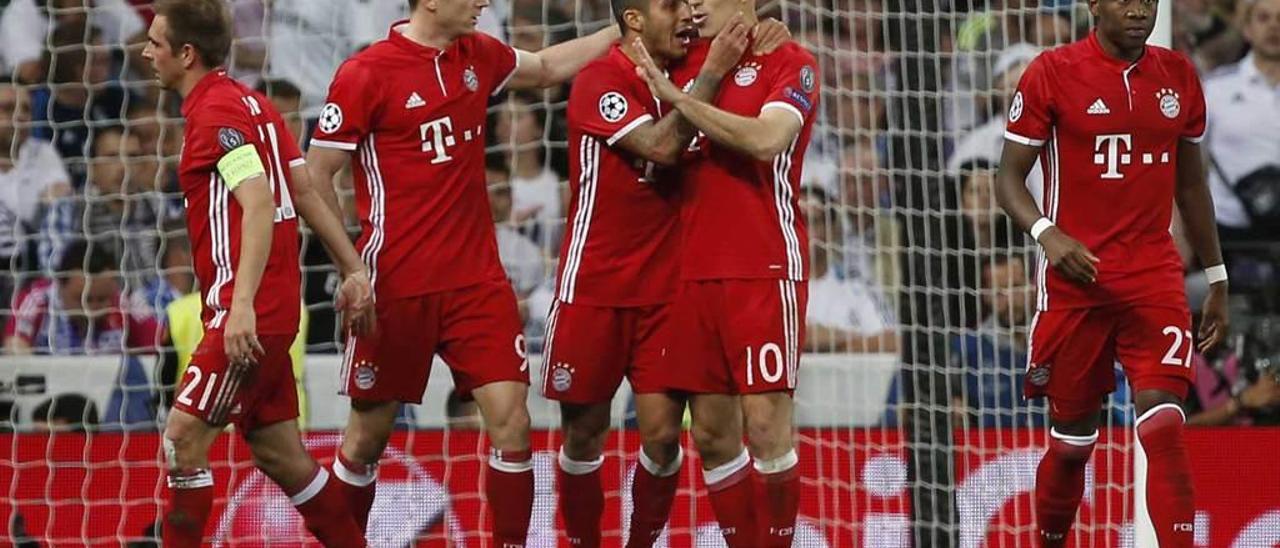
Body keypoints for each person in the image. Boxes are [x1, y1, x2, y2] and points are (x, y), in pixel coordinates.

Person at [303, 1, 623, 543]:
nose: (483, 3)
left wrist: (624, 29)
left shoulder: (477, 54)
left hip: (477, 282)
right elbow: (315, 175)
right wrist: (351, 266)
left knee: (512, 421)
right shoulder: (366, 73)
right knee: (366, 438)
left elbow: (544, 69)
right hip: (396, 285)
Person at [994, 0, 1230, 544]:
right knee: (1073, 442)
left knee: (1165, 419)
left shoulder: (1177, 76)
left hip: (1153, 275)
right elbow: (1007, 181)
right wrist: (1047, 234)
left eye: (1147, 0)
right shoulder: (1052, 72)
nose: (1138, 9)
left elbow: (1190, 186)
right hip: (1077, 282)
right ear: (1093, 5)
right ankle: (1050, 539)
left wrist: (1216, 277)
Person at [139, 1, 375, 546]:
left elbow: (260, 199)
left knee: (181, 441)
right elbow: (305, 188)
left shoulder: (215, 116)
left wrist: (239, 305)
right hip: (272, 311)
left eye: (156, 41)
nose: (146, 51)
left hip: (244, 313)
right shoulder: (254, 104)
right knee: (280, 454)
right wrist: (353, 265)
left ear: (187, 53)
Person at [542, 0, 757, 543]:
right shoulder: (601, 80)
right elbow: (662, 146)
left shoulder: (686, 75)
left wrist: (763, 27)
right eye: (670, 5)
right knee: (585, 434)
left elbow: (747, 32)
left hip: (667, 292)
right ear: (634, 18)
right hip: (594, 286)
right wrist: (707, 78)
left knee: (662, 438)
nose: (686, 14)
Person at [634, 1, 821, 543]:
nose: (691, 4)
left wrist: (678, 101)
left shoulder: (792, 60)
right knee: (713, 435)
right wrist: (685, 84)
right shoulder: (682, 58)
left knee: (765, 429)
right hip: (690, 272)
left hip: (763, 267)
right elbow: (629, 26)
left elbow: (766, 140)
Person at [5, 241, 159, 355]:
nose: (93, 308)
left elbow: (161, 347)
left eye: (102, 299)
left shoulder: (125, 303)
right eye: (85, 299)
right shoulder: (37, 299)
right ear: (60, 286)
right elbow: (14, 348)